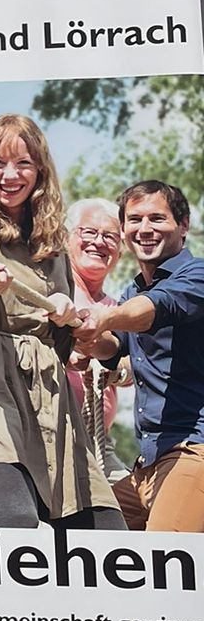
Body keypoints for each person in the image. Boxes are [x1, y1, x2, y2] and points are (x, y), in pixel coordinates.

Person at [0, 114, 122, 530]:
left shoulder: (53, 240)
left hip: (48, 390)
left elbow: (59, 343)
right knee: (17, 520)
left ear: (39, 169)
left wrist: (64, 311)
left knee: (106, 530)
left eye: (22, 163)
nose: (9, 175)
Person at [74, 180, 204, 532]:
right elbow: (115, 347)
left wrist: (103, 316)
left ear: (183, 225)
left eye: (156, 219)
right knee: (85, 531)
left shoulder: (197, 275)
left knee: (163, 564)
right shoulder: (133, 290)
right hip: (148, 462)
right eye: (134, 220)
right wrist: (84, 340)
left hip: (194, 450)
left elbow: (155, 309)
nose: (144, 229)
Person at [63, 198, 133, 479]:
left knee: (134, 510)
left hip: (100, 444)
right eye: (89, 232)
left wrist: (115, 371)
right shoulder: (53, 293)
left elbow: (134, 367)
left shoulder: (119, 310)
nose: (99, 242)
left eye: (110, 237)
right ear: (67, 238)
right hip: (53, 433)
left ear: (120, 251)